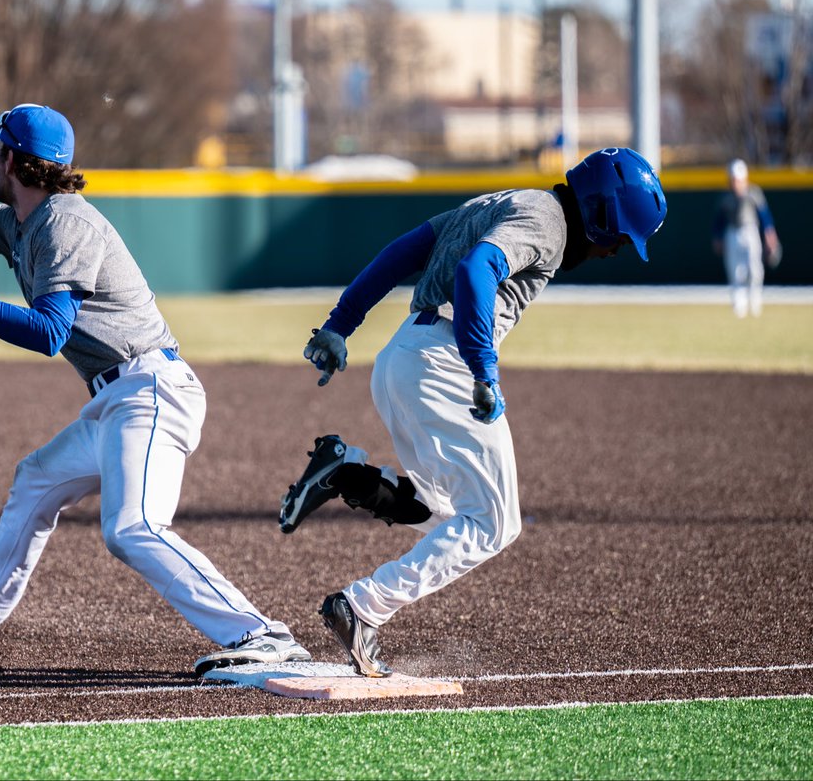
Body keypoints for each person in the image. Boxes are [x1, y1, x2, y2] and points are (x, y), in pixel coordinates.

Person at [0, 103, 310, 676]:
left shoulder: (66, 224)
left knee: (132, 528)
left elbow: (48, 333)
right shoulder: (17, 220)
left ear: (11, 160)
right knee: (36, 478)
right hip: (119, 397)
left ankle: (260, 633)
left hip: (152, 390)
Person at [278, 147, 667, 677]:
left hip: (400, 360)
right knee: (493, 523)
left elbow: (401, 252)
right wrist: (484, 369)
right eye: (620, 239)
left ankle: (346, 472)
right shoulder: (549, 224)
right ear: (601, 218)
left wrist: (340, 324)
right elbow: (476, 269)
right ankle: (362, 607)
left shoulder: (502, 201)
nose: (616, 251)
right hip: (445, 366)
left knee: (437, 511)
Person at [712, 159, 781, 318]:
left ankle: (755, 301)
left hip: (751, 231)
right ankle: (739, 305)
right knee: (735, 270)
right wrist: (717, 237)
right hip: (732, 233)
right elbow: (719, 220)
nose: (735, 183)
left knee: (755, 269)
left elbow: (765, 217)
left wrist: (770, 235)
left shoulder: (753, 192)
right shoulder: (725, 197)